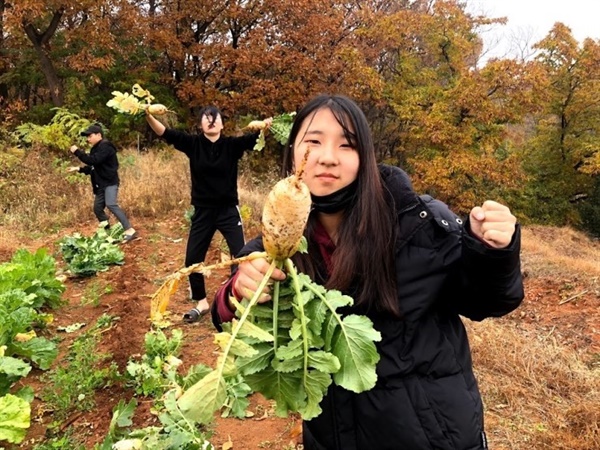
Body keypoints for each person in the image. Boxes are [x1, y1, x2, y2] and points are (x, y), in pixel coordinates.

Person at [211, 94, 524, 449]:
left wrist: (491, 250)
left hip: (432, 437)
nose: (328, 157)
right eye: (313, 141)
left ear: (365, 159)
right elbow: (226, 318)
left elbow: (487, 300)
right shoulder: (273, 246)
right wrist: (237, 291)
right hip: (335, 436)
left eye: (347, 145)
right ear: (292, 153)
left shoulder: (415, 220)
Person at [145, 106, 272, 323]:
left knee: (240, 256)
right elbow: (164, 132)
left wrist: (266, 127)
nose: (211, 121)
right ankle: (201, 303)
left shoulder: (232, 145)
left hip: (228, 211)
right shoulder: (193, 144)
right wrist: (147, 114)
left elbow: (257, 138)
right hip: (203, 211)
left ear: (222, 124)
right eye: (206, 118)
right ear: (200, 124)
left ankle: (235, 299)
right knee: (193, 259)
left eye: (215, 118)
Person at [68, 123, 137, 242]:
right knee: (97, 208)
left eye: (90, 136)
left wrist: (77, 152)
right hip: (101, 185)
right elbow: (94, 167)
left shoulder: (106, 147)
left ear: (99, 135)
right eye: (87, 137)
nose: (88, 139)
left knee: (111, 204)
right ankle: (107, 231)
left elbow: (92, 161)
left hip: (110, 183)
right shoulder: (96, 148)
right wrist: (78, 169)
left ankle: (129, 230)